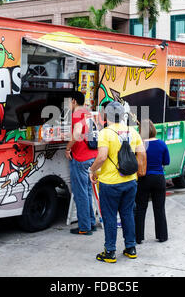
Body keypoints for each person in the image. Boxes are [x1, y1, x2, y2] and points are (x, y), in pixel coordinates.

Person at [88, 101, 146, 263]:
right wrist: (139, 172)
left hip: (110, 183)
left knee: (110, 216)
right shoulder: (133, 132)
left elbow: (101, 157)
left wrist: (92, 170)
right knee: (127, 214)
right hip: (130, 181)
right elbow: (141, 154)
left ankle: (110, 251)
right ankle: (130, 248)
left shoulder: (105, 133)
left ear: (106, 115)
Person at [66, 91, 98, 235]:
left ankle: (84, 227)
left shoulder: (76, 115)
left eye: (68, 101)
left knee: (81, 193)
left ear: (73, 101)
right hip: (92, 157)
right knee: (87, 191)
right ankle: (91, 222)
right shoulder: (88, 113)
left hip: (81, 158)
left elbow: (77, 134)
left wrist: (68, 148)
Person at [134, 119, 170, 244]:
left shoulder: (140, 145)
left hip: (144, 179)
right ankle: (162, 236)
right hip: (159, 179)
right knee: (159, 208)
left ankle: (138, 237)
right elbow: (166, 162)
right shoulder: (162, 144)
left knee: (141, 207)